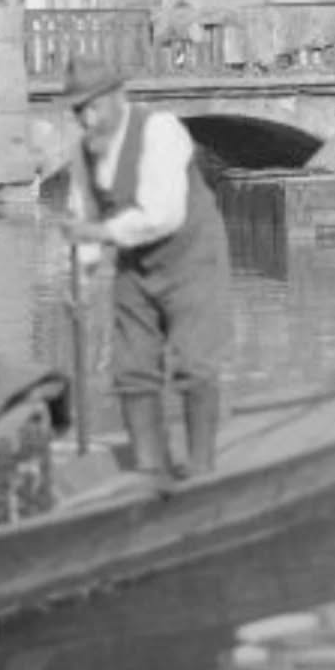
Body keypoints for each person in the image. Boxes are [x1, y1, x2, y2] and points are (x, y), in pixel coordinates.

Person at [62, 55, 232, 482]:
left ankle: (201, 470)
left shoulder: (160, 131)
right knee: (132, 367)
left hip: (191, 256)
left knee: (194, 363)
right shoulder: (83, 153)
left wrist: (99, 233)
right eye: (79, 110)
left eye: (94, 107)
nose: (87, 120)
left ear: (118, 97)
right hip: (135, 261)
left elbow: (162, 216)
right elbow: (84, 217)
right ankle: (149, 470)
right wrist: (82, 282)